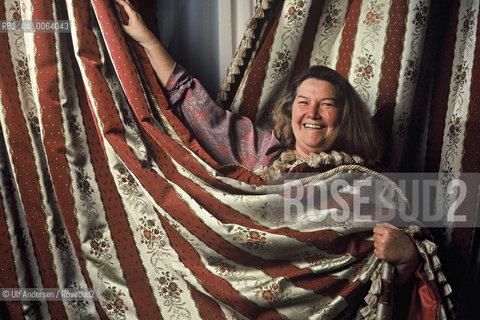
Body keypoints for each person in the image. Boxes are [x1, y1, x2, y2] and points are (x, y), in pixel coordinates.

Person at [114, 0, 421, 309]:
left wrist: (407, 256)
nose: (312, 113)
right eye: (303, 102)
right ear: (290, 112)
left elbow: (399, 286)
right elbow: (196, 107)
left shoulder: (369, 182)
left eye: (327, 104)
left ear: (344, 116)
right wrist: (147, 39)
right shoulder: (262, 152)